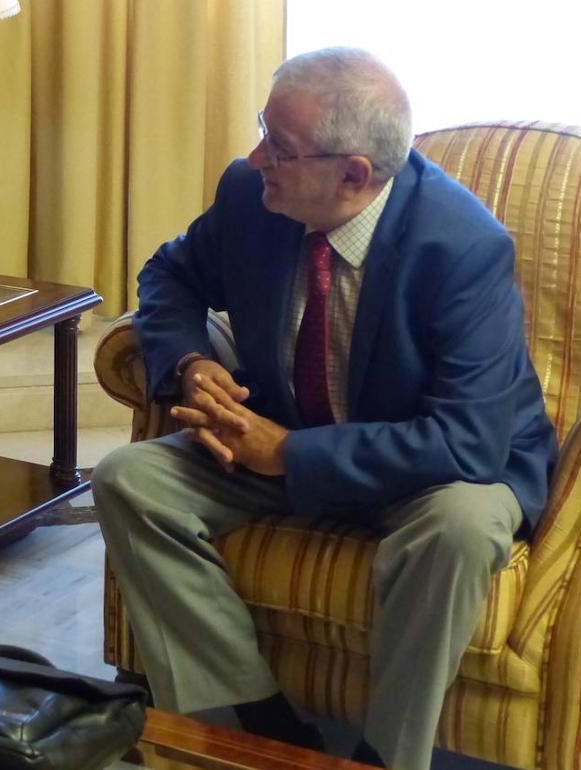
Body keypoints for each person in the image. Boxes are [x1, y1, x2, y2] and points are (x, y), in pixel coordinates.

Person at [92, 47, 557, 770]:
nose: (255, 158)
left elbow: (468, 441)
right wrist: (192, 361)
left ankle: (383, 756)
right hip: (291, 429)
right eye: (261, 131)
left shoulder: (462, 247)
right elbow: (171, 273)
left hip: (429, 471)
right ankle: (257, 722)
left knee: (462, 530)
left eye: (278, 146)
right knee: (129, 480)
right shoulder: (253, 197)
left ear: (353, 175)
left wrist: (285, 454)